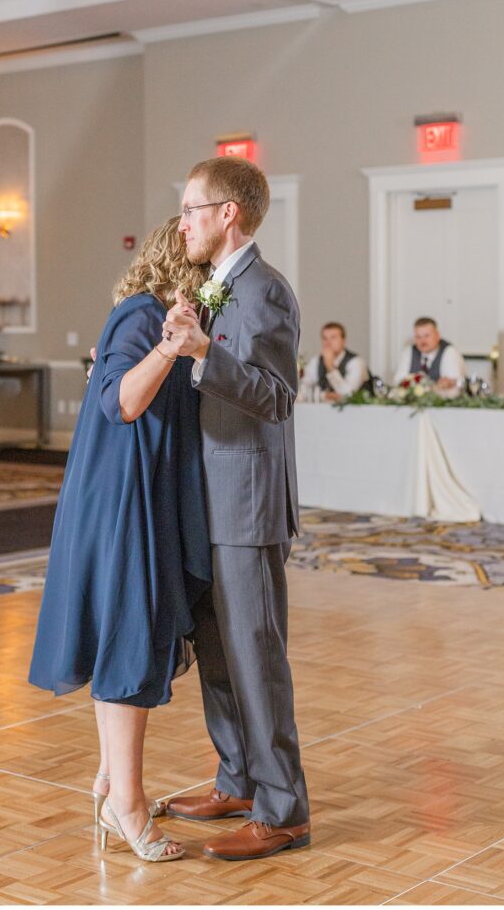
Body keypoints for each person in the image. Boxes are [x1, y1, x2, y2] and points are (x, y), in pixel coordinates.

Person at [28, 217, 212, 863]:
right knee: (130, 637)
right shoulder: (140, 317)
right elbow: (121, 405)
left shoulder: (165, 318)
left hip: (146, 491)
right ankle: (126, 802)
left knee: (132, 634)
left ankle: (114, 782)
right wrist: (170, 348)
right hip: (122, 498)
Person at [162, 156, 311, 862]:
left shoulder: (266, 291)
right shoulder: (214, 288)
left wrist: (201, 354)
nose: (182, 221)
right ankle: (239, 780)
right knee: (219, 655)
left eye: (192, 208)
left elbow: (278, 397)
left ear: (228, 214)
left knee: (256, 659)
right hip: (207, 503)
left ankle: (284, 812)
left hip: (248, 507)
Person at [302, 321, 370, 400]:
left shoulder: (356, 362)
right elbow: (304, 391)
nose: (328, 343)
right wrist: (324, 395)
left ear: (343, 341)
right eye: (325, 338)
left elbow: (349, 394)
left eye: (333, 338)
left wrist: (330, 367)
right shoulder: (316, 361)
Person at [393, 317, 465, 388]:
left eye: (427, 336)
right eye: (418, 337)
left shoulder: (449, 351)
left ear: (438, 335)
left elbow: (452, 383)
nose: (422, 341)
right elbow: (398, 381)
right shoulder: (409, 351)